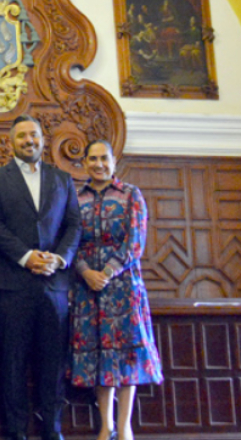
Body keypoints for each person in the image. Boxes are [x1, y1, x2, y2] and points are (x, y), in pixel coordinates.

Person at [0, 114, 81, 440]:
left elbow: (73, 225)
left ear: (43, 139)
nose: (29, 141)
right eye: (22, 136)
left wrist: (60, 258)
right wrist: (26, 257)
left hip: (54, 285)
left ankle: (52, 430)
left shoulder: (62, 178)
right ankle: (15, 433)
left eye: (34, 135)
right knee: (12, 363)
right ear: (11, 142)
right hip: (14, 283)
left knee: (53, 364)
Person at [69, 140, 162, 440]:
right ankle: (105, 424)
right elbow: (68, 241)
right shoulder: (75, 198)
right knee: (99, 354)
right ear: (84, 163)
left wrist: (106, 273)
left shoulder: (131, 194)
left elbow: (135, 242)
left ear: (114, 161)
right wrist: (87, 273)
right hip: (87, 287)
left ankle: (124, 426)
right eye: (92, 158)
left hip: (123, 286)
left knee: (125, 355)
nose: (98, 164)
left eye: (104, 158)